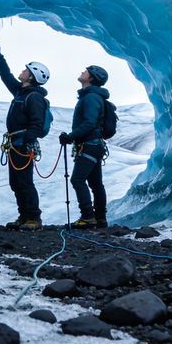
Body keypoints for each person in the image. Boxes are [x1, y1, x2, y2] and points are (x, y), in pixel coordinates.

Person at [0, 38, 50, 231]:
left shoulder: (34, 97)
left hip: (22, 143)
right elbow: (5, 76)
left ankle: (33, 218)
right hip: (15, 143)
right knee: (16, 182)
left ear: (32, 77)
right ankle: (24, 217)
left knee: (24, 181)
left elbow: (37, 123)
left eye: (26, 70)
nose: (22, 71)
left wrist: (27, 141)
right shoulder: (20, 92)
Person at [59, 65, 110, 229]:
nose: (82, 71)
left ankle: (88, 217)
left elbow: (89, 122)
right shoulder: (92, 97)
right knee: (96, 184)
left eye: (86, 71)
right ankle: (100, 219)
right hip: (94, 146)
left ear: (92, 77)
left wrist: (70, 136)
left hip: (89, 145)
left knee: (77, 179)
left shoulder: (90, 98)